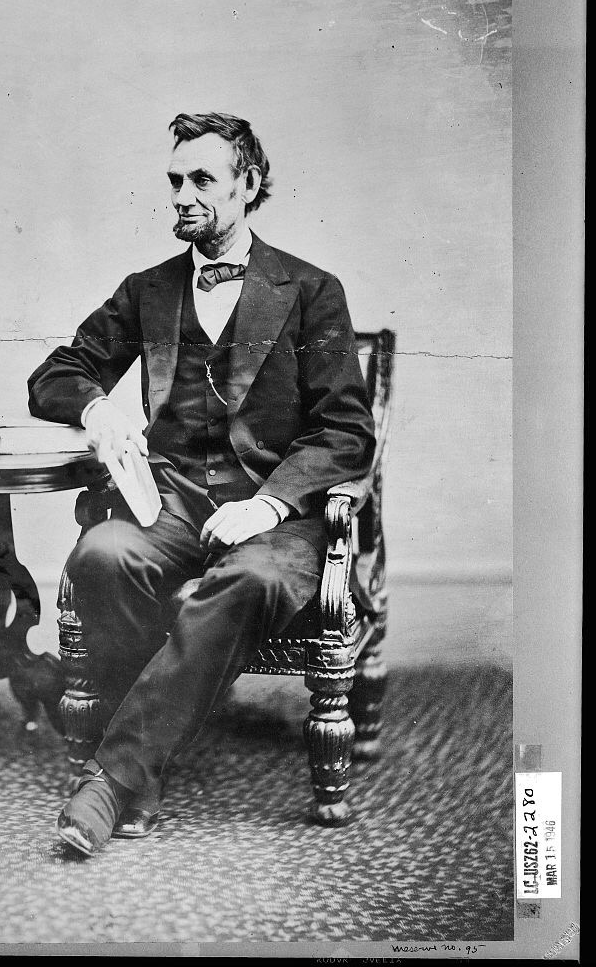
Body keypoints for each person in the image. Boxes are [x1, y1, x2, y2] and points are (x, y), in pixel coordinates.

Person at [27, 113, 376, 856]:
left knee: (251, 579)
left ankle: (114, 780)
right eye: (175, 181)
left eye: (202, 181)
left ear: (248, 184)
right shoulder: (148, 290)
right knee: (102, 556)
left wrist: (270, 504)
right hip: (174, 501)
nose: (183, 196)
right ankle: (143, 770)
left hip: (277, 517)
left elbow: (347, 432)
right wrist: (96, 409)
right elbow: (57, 372)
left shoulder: (312, 290)